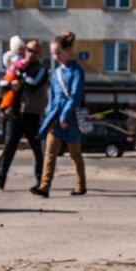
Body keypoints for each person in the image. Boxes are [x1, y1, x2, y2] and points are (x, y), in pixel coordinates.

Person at [30, 31, 86, 198]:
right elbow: (52, 98)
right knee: (50, 152)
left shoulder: (77, 71)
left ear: (67, 50)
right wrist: (49, 115)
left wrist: (65, 116)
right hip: (55, 117)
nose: (56, 57)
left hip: (71, 119)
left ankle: (80, 186)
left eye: (59, 53)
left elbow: (75, 96)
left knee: (75, 154)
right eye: (54, 54)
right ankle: (44, 186)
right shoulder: (55, 73)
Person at [0, 39, 48, 191]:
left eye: (35, 51)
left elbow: (34, 84)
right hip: (14, 115)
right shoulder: (16, 66)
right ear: (24, 50)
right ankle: (0, 177)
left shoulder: (41, 69)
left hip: (32, 114)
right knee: (9, 146)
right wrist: (10, 83)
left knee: (37, 150)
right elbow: (2, 82)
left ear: (40, 54)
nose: (31, 54)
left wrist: (20, 74)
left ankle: (41, 182)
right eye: (29, 50)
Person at [0, 35, 26, 115]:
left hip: (12, 77)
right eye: (20, 49)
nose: (21, 51)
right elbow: (18, 64)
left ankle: (5, 106)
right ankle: (5, 106)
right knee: (10, 94)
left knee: (10, 94)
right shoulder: (14, 57)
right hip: (11, 76)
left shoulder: (17, 57)